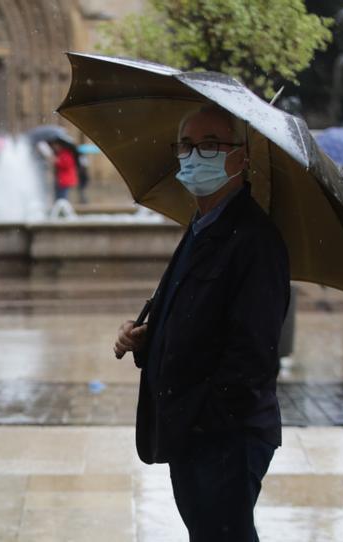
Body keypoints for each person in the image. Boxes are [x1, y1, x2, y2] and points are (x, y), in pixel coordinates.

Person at [113, 105, 289, 541]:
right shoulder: (201, 226)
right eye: (186, 146)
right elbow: (201, 317)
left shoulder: (254, 238)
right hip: (194, 430)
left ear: (241, 157)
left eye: (210, 145)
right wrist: (150, 338)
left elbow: (253, 355)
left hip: (224, 435)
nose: (195, 156)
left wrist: (203, 419)